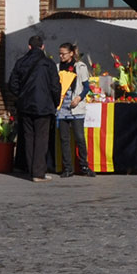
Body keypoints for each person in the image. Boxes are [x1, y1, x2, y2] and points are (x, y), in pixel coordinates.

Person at [6, 33, 62, 181]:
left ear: (29, 47)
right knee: (41, 139)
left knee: (28, 137)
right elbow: (55, 86)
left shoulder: (20, 62)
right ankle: (38, 173)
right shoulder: (48, 63)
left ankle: (31, 170)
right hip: (44, 106)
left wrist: (21, 95)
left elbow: (12, 84)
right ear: (43, 47)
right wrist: (55, 102)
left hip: (25, 106)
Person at [55, 42, 93, 177]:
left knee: (79, 138)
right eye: (59, 53)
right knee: (64, 139)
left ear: (71, 53)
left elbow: (87, 87)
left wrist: (78, 98)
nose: (61, 56)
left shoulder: (80, 67)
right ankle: (67, 168)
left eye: (63, 53)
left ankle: (84, 166)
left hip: (76, 104)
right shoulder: (57, 67)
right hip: (62, 106)